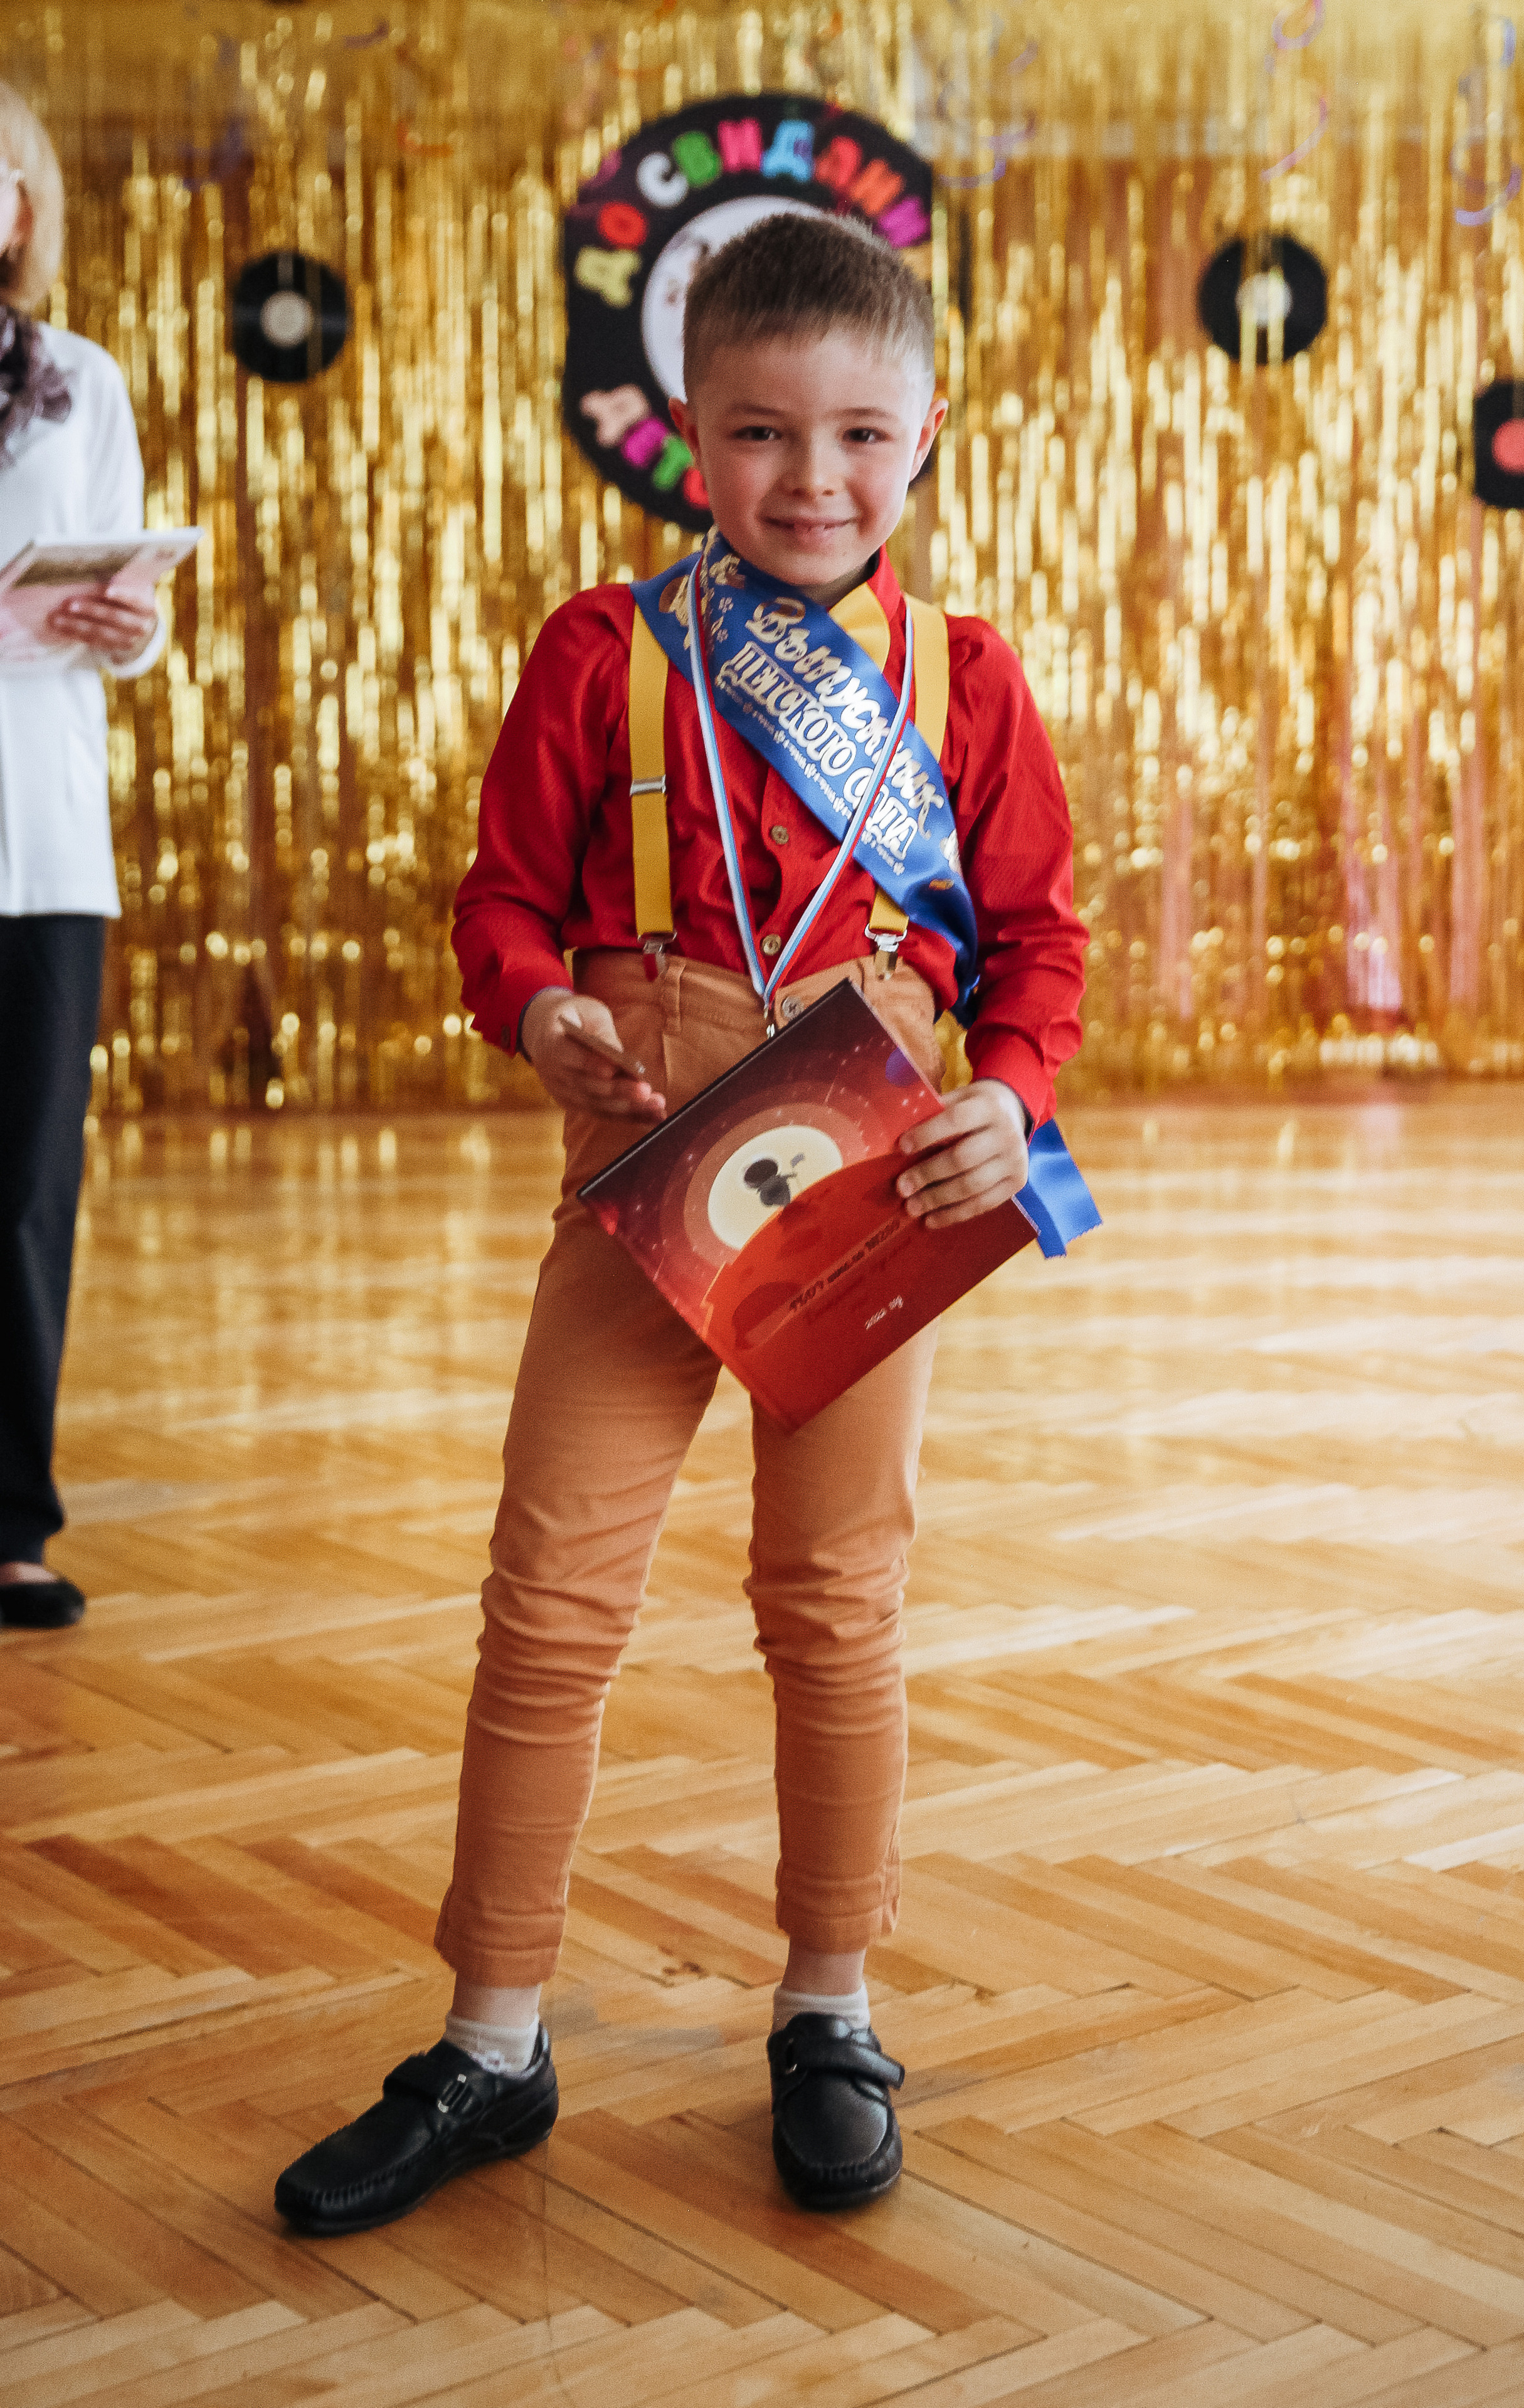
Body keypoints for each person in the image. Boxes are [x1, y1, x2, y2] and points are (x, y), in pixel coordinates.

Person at [275, 209, 1086, 2232]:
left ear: (926, 438)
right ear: (689, 438)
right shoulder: (605, 654)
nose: (813, 480)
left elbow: (1041, 947)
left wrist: (1012, 1096)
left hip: (872, 1175)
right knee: (549, 1600)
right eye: (761, 433)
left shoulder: (967, 682)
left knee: (839, 1604)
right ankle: (492, 2044)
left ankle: (831, 2010)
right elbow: (501, 900)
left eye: (861, 436)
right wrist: (537, 1006)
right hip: (647, 1168)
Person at [0, 83, 164, 1632]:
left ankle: (11, 1527)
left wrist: (128, 624)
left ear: (25, 204)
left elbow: (130, 592)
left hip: (43, 845)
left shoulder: (82, 379)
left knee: (25, 1192)